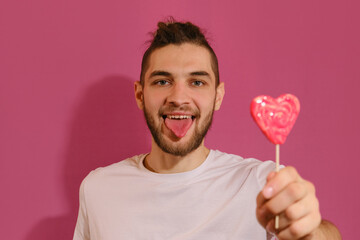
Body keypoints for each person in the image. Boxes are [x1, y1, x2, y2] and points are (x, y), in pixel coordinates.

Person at [73, 19, 341, 240]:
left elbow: (326, 234)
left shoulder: (263, 183)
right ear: (140, 95)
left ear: (218, 96)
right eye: (163, 81)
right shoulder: (98, 188)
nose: (179, 97)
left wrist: (309, 232)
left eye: (197, 82)